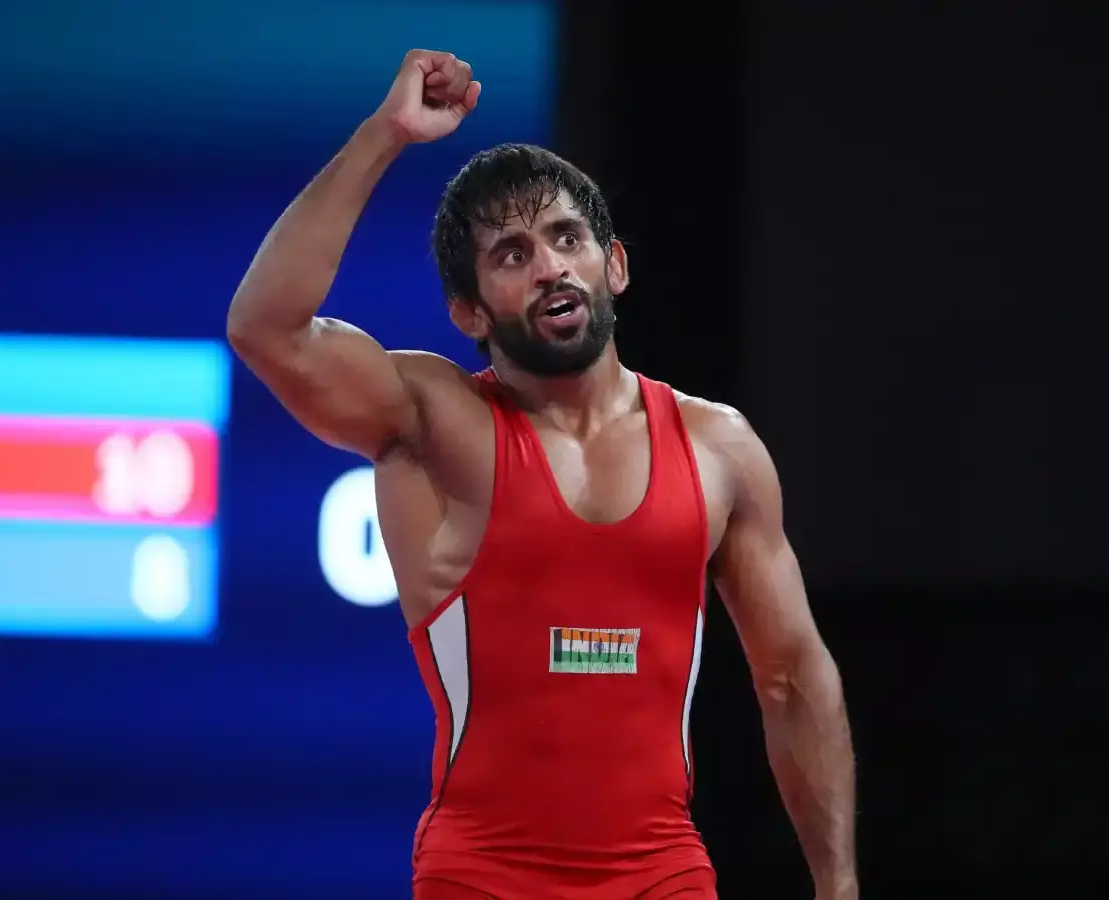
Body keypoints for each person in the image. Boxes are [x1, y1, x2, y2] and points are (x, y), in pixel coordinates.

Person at [227, 49, 857, 900]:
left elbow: (791, 678)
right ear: (469, 312)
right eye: (512, 255)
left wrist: (838, 886)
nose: (550, 266)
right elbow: (267, 328)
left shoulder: (718, 447)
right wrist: (387, 135)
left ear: (614, 266)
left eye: (567, 239)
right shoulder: (435, 423)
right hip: (482, 879)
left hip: (663, 878)